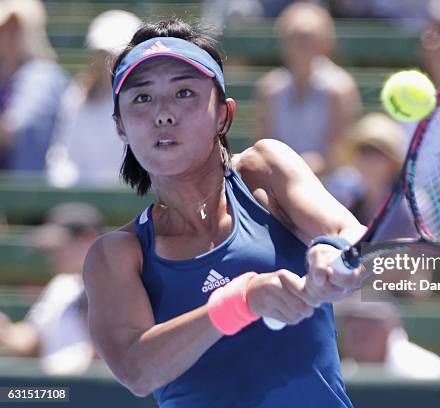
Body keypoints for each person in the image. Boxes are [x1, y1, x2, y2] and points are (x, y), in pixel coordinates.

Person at [84, 19, 366, 407]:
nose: (163, 114)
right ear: (120, 125)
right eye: (142, 98)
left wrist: (333, 251)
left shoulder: (264, 170)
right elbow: (136, 370)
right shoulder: (115, 255)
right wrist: (241, 301)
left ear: (224, 114)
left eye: (184, 92)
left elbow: (349, 233)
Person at [255, 2, 361, 175]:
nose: (299, 44)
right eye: (292, 37)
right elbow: (264, 144)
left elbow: (340, 152)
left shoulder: (341, 88)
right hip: (280, 177)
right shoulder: (269, 88)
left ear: (326, 42)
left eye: (307, 37)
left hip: (329, 181)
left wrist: (302, 170)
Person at [0, 202, 102, 375]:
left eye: (59, 245)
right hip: (54, 392)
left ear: (88, 239)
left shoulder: (119, 286)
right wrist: (5, 332)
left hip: (95, 395)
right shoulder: (61, 284)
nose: (52, 254)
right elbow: (32, 339)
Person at [46, 10, 142, 187]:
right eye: (103, 54)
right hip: (80, 200)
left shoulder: (146, 99)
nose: (108, 61)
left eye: (116, 54)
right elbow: (63, 157)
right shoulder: (76, 96)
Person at [0, 0, 68, 171]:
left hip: (28, 192)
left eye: (8, 28)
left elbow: (15, 131)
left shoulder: (41, 76)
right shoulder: (6, 76)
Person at [336, 296, 440, 379]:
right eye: (353, 331)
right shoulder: (344, 372)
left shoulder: (424, 367)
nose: (357, 335)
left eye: (370, 324)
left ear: (389, 328)